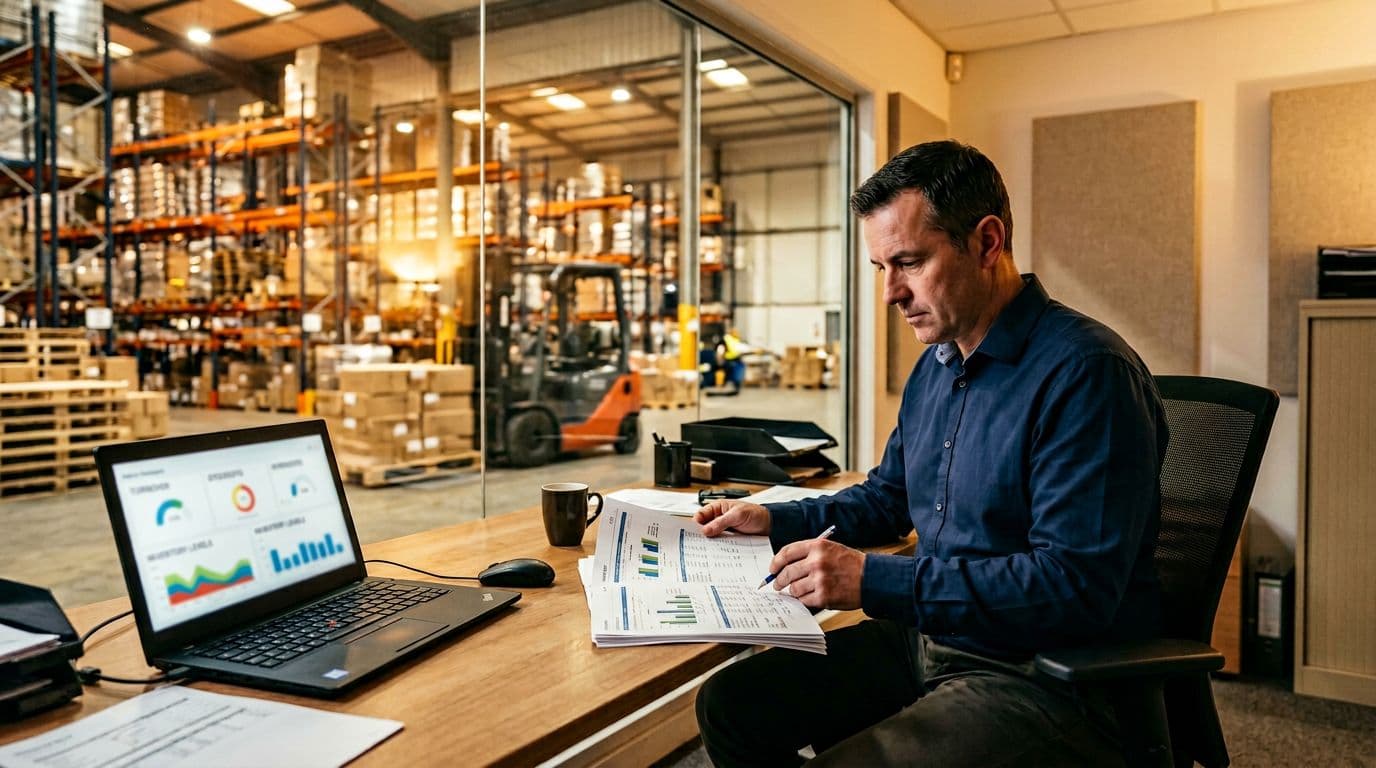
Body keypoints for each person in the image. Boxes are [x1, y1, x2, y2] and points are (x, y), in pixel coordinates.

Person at [693, 140, 1168, 767]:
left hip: (1044, 675)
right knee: (731, 705)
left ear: (988, 242)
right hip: (934, 640)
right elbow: (890, 498)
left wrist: (872, 578)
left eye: (910, 262)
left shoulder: (1087, 373)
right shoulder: (936, 367)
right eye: (881, 267)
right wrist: (776, 519)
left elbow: (1072, 587)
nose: (891, 292)